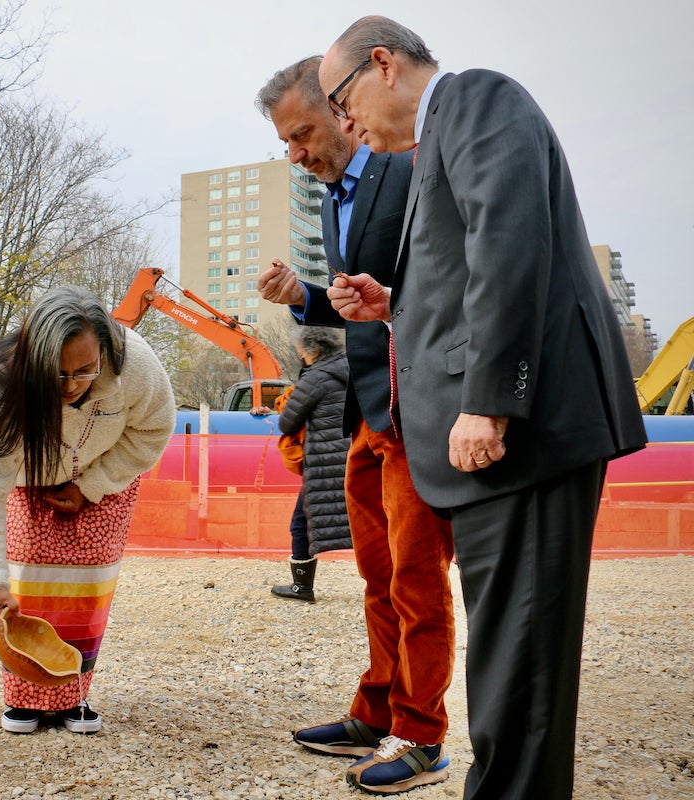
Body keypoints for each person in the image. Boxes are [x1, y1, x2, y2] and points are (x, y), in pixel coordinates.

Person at [319, 18, 647, 800]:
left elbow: (511, 237)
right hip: (508, 444)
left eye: (340, 102)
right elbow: (474, 268)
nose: (344, 124)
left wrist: (492, 401)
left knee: (521, 673)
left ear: (384, 65)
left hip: (523, 438)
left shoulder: (474, 98)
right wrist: (396, 305)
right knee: (509, 664)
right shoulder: (444, 138)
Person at [255, 57, 456, 795]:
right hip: (368, 409)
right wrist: (303, 294)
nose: (295, 154)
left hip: (418, 409)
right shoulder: (326, 198)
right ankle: (375, 713)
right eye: (285, 141)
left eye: (302, 133)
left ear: (342, 111)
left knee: (416, 582)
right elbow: (357, 304)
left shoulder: (409, 172)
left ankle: (423, 736)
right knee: (377, 577)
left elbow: (437, 284)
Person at [0, 285, 176, 735]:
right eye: (56, 375)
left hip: (105, 477)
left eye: (84, 371)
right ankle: (24, 701)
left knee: (88, 592)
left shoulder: (135, 364)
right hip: (27, 483)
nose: (71, 387)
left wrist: (92, 485)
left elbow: (153, 430)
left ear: (105, 354)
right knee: (26, 587)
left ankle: (75, 696)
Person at [273, 326, 351, 600]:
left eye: (301, 354)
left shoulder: (315, 376)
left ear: (314, 351)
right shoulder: (352, 367)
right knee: (367, 523)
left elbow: (287, 422)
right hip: (356, 457)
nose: (301, 358)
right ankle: (387, 582)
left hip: (324, 463)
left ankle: (301, 586)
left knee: (300, 523)